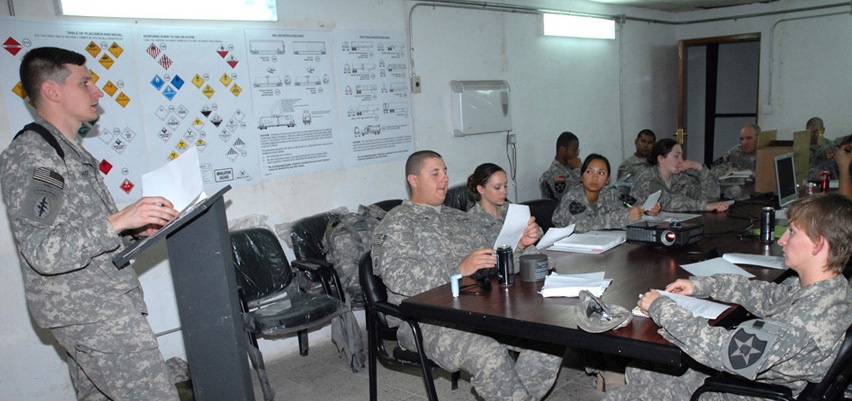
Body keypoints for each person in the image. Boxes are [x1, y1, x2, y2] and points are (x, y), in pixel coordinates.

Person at [0, 47, 180, 400]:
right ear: (52, 91)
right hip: (93, 314)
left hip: (96, 307)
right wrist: (119, 220)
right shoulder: (37, 157)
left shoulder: (66, 151)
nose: (97, 91)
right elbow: (43, 251)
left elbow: (84, 236)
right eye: (85, 82)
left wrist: (131, 232)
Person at [607, 193, 852, 401]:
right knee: (639, 369)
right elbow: (769, 296)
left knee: (618, 397)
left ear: (818, 244)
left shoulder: (806, 320)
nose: (782, 240)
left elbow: (724, 351)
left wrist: (662, 308)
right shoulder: (831, 288)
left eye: (792, 232)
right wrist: (703, 286)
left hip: (747, 393)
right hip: (759, 380)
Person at [372, 150, 563, 401]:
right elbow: (397, 276)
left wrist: (519, 245)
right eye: (435, 173)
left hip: (479, 307)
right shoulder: (397, 222)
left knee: (549, 339)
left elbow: (491, 258)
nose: (445, 179)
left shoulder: (458, 218)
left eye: (446, 172)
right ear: (414, 180)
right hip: (425, 319)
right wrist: (459, 269)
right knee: (488, 354)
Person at [552, 154, 660, 232]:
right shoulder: (572, 198)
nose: (594, 177)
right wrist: (624, 217)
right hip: (568, 250)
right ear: (581, 176)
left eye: (601, 173)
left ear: (607, 179)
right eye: (589, 172)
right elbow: (579, 226)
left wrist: (647, 209)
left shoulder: (611, 193)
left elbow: (633, 203)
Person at [630, 138, 730, 212]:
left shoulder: (680, 178)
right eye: (676, 156)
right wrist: (706, 206)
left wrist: (699, 168)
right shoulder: (647, 179)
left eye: (682, 156)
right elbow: (667, 203)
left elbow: (711, 197)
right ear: (661, 159)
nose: (681, 160)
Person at [710, 123, 759, 200]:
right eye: (742, 139)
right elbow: (713, 169)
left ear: (758, 139)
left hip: (760, 195)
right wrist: (726, 172)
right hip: (738, 194)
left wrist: (758, 177)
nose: (744, 142)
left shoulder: (766, 154)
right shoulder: (735, 152)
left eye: (749, 138)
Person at [539, 131, 581, 200]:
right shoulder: (555, 173)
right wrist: (578, 170)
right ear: (562, 150)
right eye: (574, 150)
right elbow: (570, 197)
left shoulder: (571, 168)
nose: (577, 154)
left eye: (577, 150)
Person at [806, 117, 843, 181]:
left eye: (815, 132)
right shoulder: (802, 147)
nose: (812, 135)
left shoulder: (831, 146)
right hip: (809, 180)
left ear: (823, 130)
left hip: (829, 181)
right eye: (809, 132)